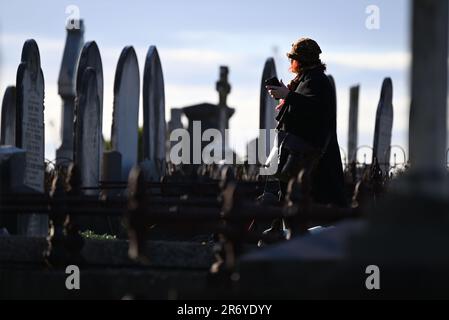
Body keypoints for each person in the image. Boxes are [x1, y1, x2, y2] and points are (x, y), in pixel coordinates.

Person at [266, 38, 347, 207]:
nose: (291, 62)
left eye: (293, 59)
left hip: (313, 163)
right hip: (301, 159)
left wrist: (287, 96)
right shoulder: (305, 80)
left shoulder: (316, 80)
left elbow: (314, 109)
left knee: (313, 210)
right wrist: (287, 95)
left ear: (300, 61)